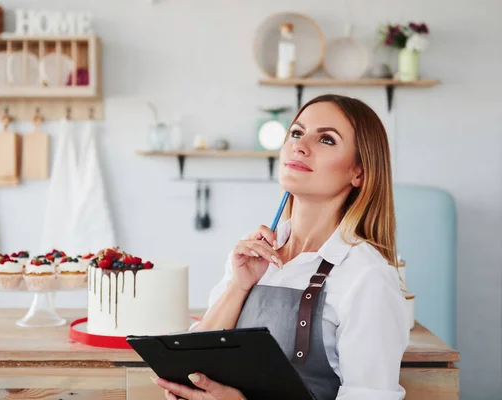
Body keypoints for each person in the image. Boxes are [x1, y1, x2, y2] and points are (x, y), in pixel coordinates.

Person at [153, 94, 410, 400]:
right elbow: (195, 365)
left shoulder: (367, 276)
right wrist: (239, 286)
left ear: (359, 172)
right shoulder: (251, 256)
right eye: (297, 133)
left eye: (326, 140)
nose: (299, 146)